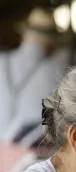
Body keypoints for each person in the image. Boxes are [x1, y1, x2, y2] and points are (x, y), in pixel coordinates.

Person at [0, 7, 69, 144]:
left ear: (24, 34)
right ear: (52, 40)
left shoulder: (3, 60)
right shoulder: (59, 69)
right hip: (32, 150)